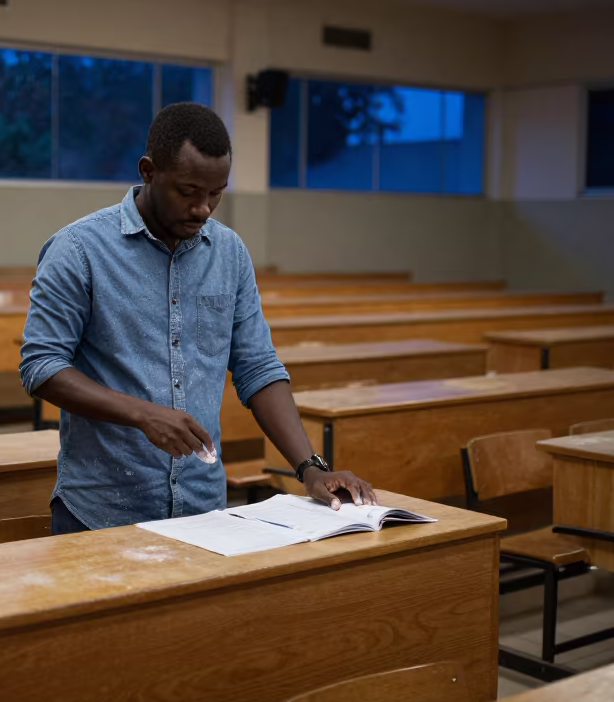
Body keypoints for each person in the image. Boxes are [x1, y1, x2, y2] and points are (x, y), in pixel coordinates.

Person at [20, 102, 376, 534]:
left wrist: (310, 468)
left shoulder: (229, 253)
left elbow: (257, 367)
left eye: (216, 193)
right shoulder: (79, 250)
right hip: (101, 510)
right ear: (149, 171)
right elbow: (41, 366)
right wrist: (142, 414)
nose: (204, 208)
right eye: (188, 192)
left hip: (204, 511)